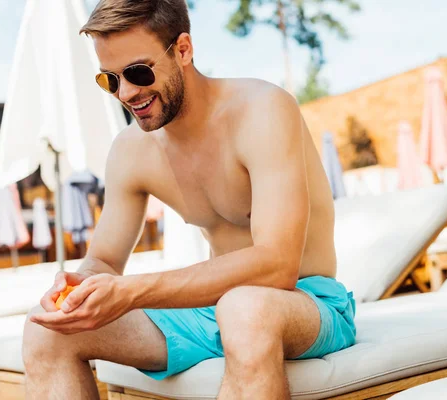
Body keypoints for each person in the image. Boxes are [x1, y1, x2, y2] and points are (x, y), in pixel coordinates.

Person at [23, 1, 356, 399]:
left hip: (305, 302)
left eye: (138, 72)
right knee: (45, 330)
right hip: (212, 311)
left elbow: (278, 265)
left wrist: (133, 290)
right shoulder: (131, 150)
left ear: (183, 50)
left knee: (245, 309)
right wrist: (77, 287)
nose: (126, 93)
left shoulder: (261, 110)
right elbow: (106, 262)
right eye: (110, 80)